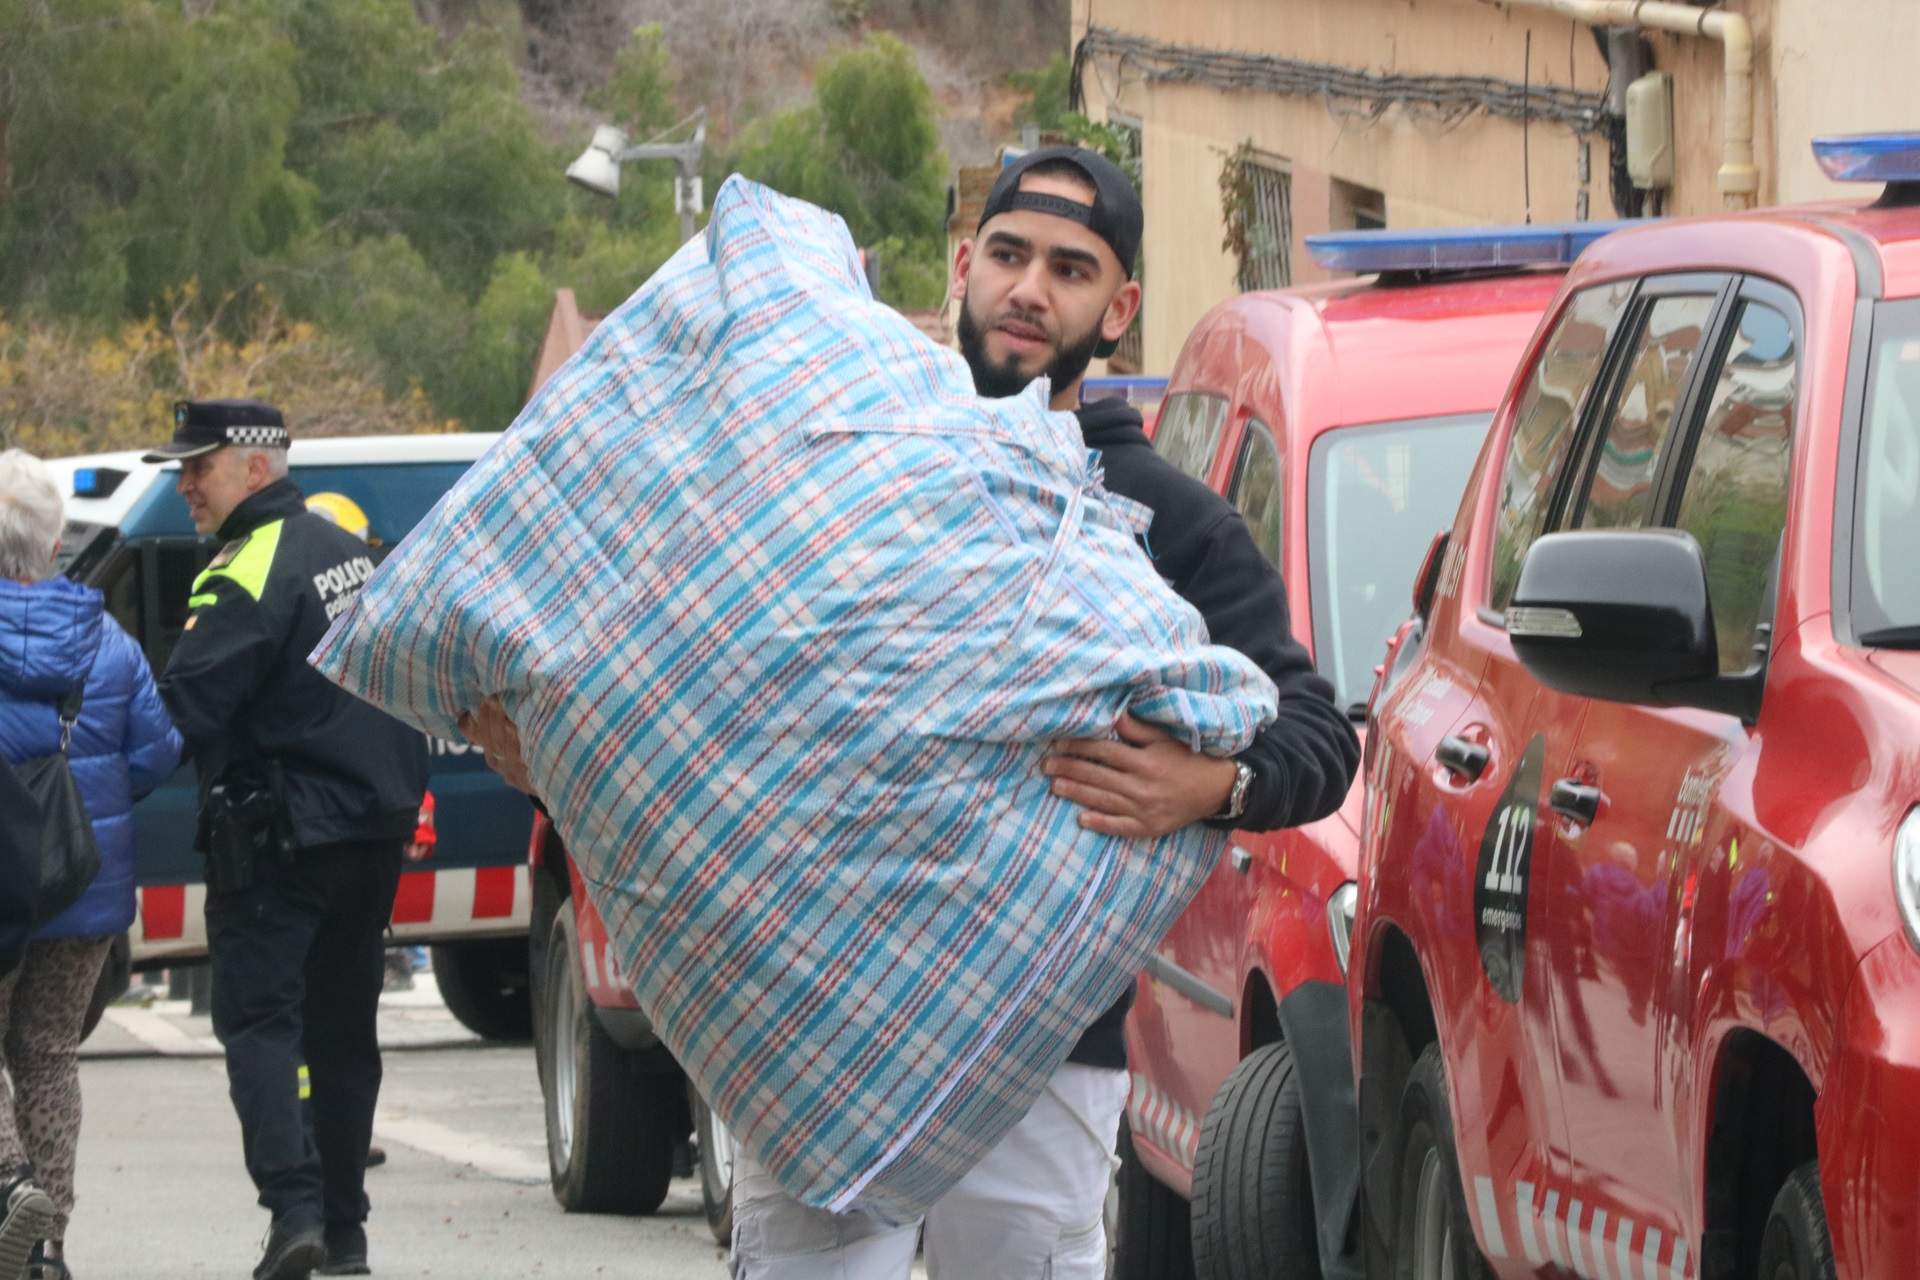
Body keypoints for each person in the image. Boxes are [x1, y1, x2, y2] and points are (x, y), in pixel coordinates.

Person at [459, 146, 1359, 1279]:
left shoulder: (1166, 519)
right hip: (822, 1024)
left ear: (1120, 308)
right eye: (1009, 254)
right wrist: (550, 748)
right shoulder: (844, 464)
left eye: (1072, 269)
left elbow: (1319, 739)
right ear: (960, 269)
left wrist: (1207, 783)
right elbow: (710, 697)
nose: (1031, 288)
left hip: (1042, 1045)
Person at [143, 402, 428, 1280]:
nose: (185, 484)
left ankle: (295, 1214)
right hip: (370, 832)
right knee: (343, 1033)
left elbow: (180, 712)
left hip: (278, 839)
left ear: (257, 468)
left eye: (201, 466)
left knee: (260, 1022)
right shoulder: (354, 556)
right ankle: (344, 1235)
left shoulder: (243, 566)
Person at [0, 448, 183, 1280]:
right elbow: (157, 755)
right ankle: (48, 1245)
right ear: (54, 540)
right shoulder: (107, 640)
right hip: (84, 884)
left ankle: (7, 1188)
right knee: (47, 1053)